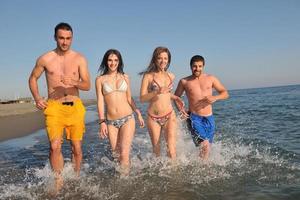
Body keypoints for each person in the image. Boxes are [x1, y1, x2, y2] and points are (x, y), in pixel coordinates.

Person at [28, 22, 91, 191]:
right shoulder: (45, 58)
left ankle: (76, 178)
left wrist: (74, 82)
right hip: (54, 107)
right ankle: (58, 181)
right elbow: (33, 78)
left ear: (72, 38)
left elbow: (87, 85)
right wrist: (37, 97)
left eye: (68, 38)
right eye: (61, 38)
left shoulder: (79, 59)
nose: (65, 42)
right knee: (55, 146)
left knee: (76, 148)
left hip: (75, 107)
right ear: (55, 37)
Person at [96, 49, 144, 175]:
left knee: (124, 153)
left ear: (119, 62)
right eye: (110, 60)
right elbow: (100, 102)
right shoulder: (100, 79)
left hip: (128, 118)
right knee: (116, 156)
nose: (113, 63)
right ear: (106, 62)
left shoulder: (125, 77)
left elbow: (129, 98)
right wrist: (102, 122)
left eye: (116, 60)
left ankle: (126, 185)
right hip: (111, 122)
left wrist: (138, 112)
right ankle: (127, 174)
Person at [174, 55, 229, 160]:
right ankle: (204, 169)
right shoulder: (184, 81)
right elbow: (176, 98)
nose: (197, 69)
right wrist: (181, 110)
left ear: (203, 66)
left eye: (200, 66)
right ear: (190, 66)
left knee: (207, 148)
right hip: (194, 118)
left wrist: (215, 97)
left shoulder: (211, 78)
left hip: (209, 118)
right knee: (205, 146)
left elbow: (225, 93)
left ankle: (198, 166)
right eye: (194, 66)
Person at [140, 46, 182, 159]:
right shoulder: (148, 76)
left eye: (165, 58)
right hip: (153, 117)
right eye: (160, 58)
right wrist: (157, 91)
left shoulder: (171, 76)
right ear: (155, 59)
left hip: (169, 115)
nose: (163, 61)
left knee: (172, 150)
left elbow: (166, 95)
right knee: (157, 151)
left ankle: (174, 175)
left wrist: (176, 98)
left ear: (168, 60)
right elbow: (142, 98)